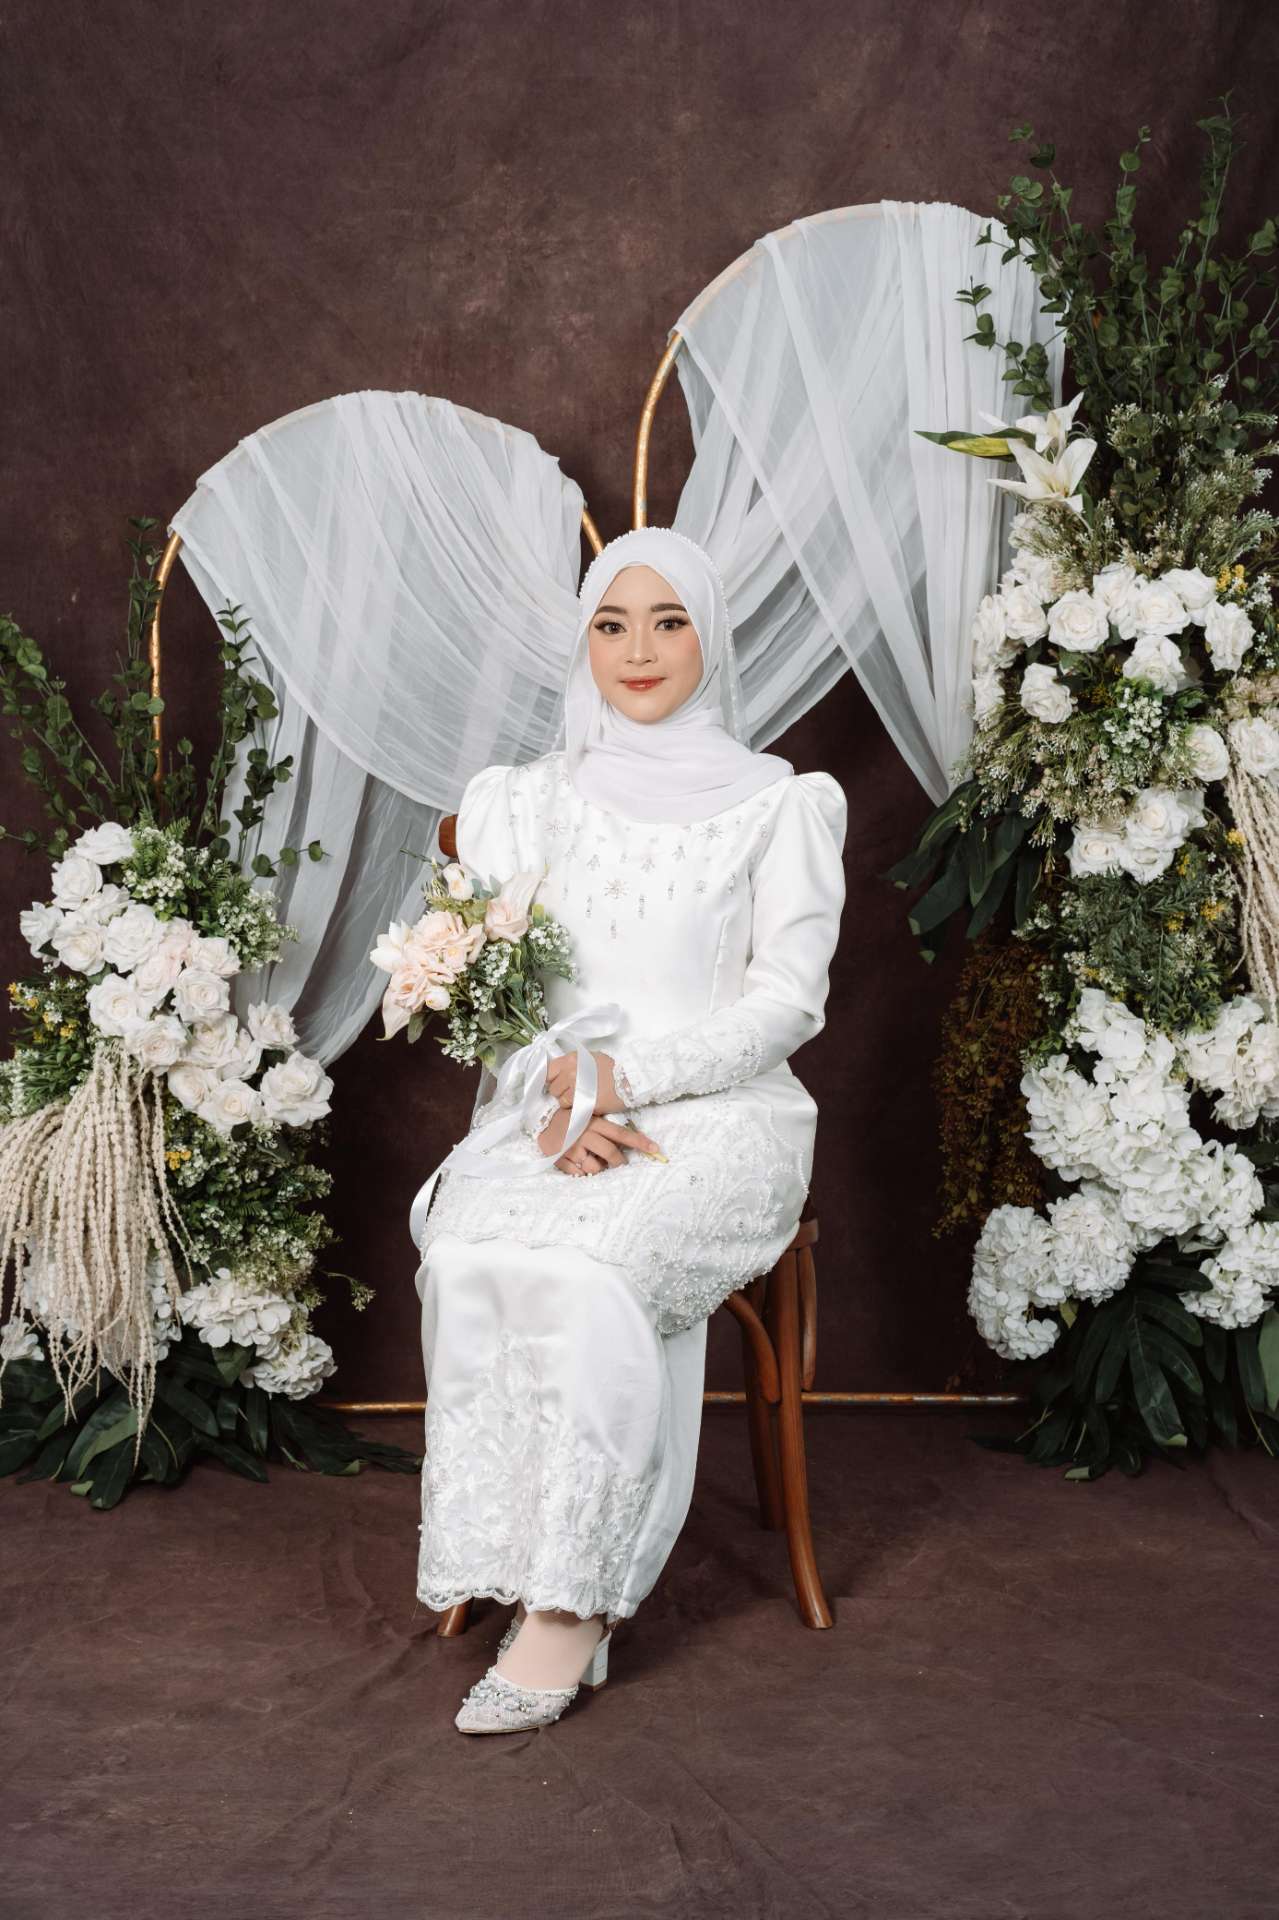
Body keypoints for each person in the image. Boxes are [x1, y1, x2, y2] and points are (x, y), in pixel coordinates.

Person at [410, 525, 847, 1734]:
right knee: (470, 1251)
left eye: (668, 622)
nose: (638, 650)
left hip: (722, 1111)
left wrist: (624, 1078)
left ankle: (573, 1607)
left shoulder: (781, 805)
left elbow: (785, 1004)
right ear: (584, 644)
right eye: (611, 624)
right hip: (551, 1099)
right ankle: (504, 1551)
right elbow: (492, 993)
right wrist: (557, 1092)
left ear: (710, 638)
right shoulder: (522, 802)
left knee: (596, 1268)